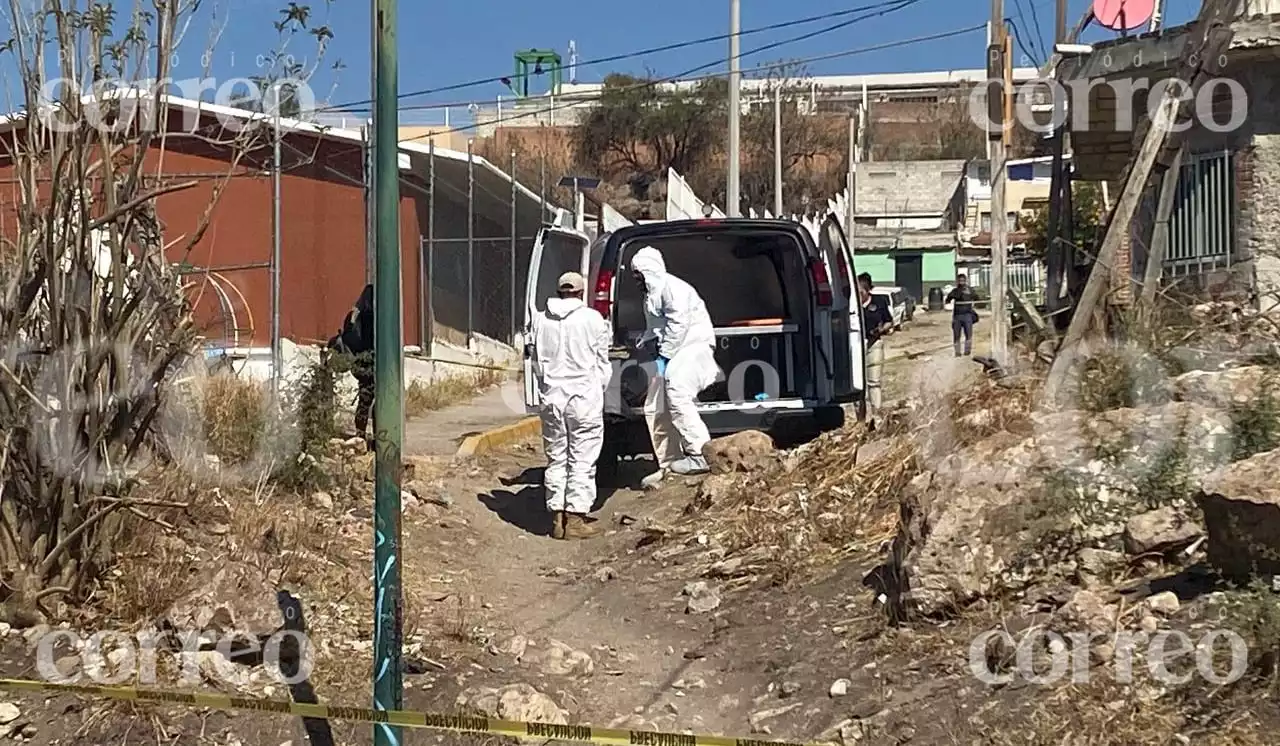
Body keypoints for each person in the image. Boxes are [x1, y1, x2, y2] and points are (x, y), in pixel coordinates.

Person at [530, 272, 612, 540]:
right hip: (583, 398)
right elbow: (602, 361)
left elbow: (536, 363)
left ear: (559, 290)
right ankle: (575, 518)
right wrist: (597, 388)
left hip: (552, 398)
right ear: (580, 292)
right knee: (582, 458)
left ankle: (556, 515)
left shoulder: (540, 320)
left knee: (557, 457)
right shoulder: (593, 319)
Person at [631, 246, 720, 486]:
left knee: (677, 391)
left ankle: (700, 453)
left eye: (638, 274)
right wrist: (645, 340)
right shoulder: (651, 293)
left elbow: (678, 323)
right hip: (674, 351)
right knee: (655, 406)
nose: (635, 280)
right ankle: (668, 463)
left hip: (693, 347)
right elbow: (657, 325)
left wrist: (665, 355)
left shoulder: (673, 288)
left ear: (648, 271)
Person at [326, 284, 375, 448]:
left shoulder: (353, 316)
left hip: (358, 363)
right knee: (378, 401)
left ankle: (360, 436)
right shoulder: (375, 317)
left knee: (364, 400)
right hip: (372, 362)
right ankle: (376, 439)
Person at [858, 273, 893, 429]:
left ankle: (877, 417)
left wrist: (881, 330)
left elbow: (889, 321)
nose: (859, 296)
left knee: (874, 382)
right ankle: (860, 421)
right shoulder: (851, 304)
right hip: (857, 347)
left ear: (868, 291)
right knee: (858, 385)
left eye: (861, 293)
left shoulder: (879, 302)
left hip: (874, 344)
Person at [945, 273, 979, 357]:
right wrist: (959, 293)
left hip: (967, 315)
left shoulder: (970, 290)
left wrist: (970, 294)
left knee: (968, 334)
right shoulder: (955, 291)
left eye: (963, 280)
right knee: (956, 335)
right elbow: (948, 299)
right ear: (957, 281)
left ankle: (967, 351)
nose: (961, 282)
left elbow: (977, 298)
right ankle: (957, 352)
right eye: (960, 281)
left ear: (966, 281)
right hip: (957, 316)